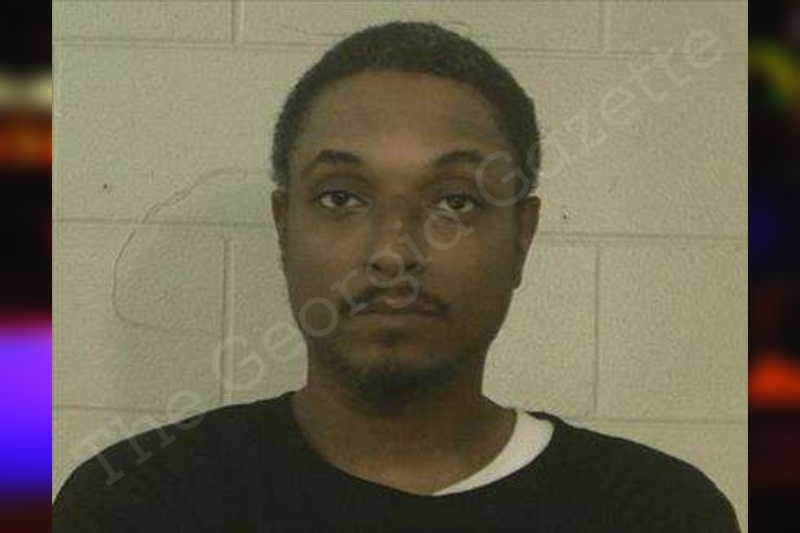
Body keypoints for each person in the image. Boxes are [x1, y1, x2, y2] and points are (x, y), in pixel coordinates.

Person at [53, 21, 741, 532]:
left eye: (456, 202)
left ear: (521, 237)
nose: (393, 251)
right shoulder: (142, 501)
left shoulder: (653, 511)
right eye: (341, 197)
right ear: (283, 226)